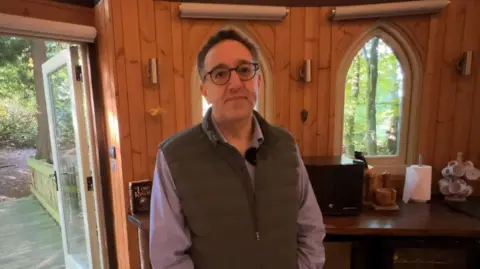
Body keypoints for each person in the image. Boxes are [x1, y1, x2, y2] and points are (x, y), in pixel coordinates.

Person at [149, 28, 326, 269]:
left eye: (244, 70)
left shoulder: (287, 147)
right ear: (204, 90)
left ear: (258, 80)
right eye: (220, 74)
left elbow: (311, 232)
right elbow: (168, 258)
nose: (235, 83)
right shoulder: (173, 157)